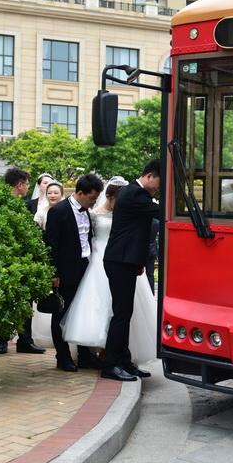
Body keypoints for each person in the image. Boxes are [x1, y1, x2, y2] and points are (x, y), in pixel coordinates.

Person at [62, 176, 157, 365]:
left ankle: (118, 355)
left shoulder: (124, 212)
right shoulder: (95, 213)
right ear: (109, 196)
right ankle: (102, 355)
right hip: (101, 259)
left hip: (123, 259)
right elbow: (87, 236)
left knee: (123, 311)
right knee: (103, 307)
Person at [102, 160, 161, 381]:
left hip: (124, 260)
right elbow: (162, 211)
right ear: (149, 176)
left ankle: (124, 361)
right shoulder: (137, 194)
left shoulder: (132, 192)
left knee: (124, 313)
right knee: (121, 314)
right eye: (159, 183)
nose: (158, 189)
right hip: (120, 260)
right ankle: (110, 365)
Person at [43, 173, 104, 372]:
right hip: (66, 270)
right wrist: (54, 273)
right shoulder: (58, 211)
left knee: (84, 311)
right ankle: (63, 356)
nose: (93, 201)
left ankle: (85, 355)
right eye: (91, 197)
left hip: (86, 268)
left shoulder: (86, 211)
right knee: (61, 313)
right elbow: (51, 244)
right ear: (80, 193)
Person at [0, 167, 45, 355]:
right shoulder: (2, 203)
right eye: (26, 184)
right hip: (5, 258)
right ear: (20, 185)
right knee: (5, 300)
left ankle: (25, 339)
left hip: (23, 258)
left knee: (25, 300)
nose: (28, 187)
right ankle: (1, 339)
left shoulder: (24, 205)